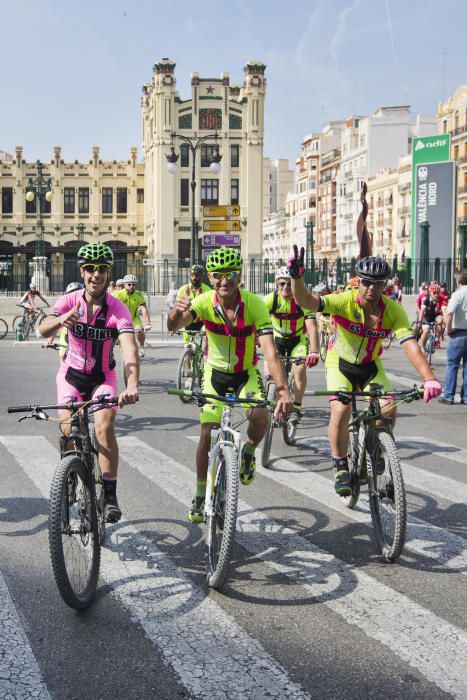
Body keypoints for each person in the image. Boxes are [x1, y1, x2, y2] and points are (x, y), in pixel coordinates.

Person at [288, 247, 442, 495]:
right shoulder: (344, 300)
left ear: (385, 285)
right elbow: (307, 301)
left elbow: (411, 345)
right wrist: (297, 279)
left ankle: (376, 446)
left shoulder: (393, 310)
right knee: (341, 409)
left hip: (370, 365)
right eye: (366, 282)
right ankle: (340, 465)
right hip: (341, 363)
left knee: (389, 406)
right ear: (358, 281)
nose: (371, 287)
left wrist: (429, 378)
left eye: (377, 283)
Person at [167, 246, 293, 522]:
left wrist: (283, 389)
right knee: (206, 433)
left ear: (240, 275)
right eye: (218, 275)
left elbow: (270, 351)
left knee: (260, 415)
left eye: (231, 274)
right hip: (214, 375)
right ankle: (200, 495)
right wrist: (177, 312)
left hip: (245, 372)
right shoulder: (203, 303)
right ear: (211, 278)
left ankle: (248, 451)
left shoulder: (255, 305)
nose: (225, 281)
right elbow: (173, 328)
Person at [39, 243, 139, 522]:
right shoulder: (70, 301)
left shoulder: (117, 308)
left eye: (102, 269)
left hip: (102, 378)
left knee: (104, 426)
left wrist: (132, 384)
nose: (96, 274)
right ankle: (70, 476)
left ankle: (109, 494)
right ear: (82, 272)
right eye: (90, 269)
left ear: (108, 273)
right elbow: (42, 328)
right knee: (69, 427)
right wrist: (60, 321)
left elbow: (129, 350)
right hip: (71, 376)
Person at [263, 266, 319, 424]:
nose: (285, 287)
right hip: (277, 339)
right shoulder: (270, 300)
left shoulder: (302, 301)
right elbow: (256, 322)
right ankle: (272, 395)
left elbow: (313, 327)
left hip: (298, 339)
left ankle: (297, 408)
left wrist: (314, 352)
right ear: (276, 284)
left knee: (300, 369)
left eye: (289, 283)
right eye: (282, 284)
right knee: (270, 370)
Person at [439, 270, 467, 405]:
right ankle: (466, 397)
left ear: (458, 281)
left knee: (452, 365)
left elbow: (449, 313)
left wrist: (448, 329)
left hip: (457, 333)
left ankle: (449, 396)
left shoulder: (458, 294)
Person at [113, 274, 151, 358]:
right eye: (129, 284)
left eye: (133, 284)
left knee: (140, 331)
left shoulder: (138, 295)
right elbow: (113, 308)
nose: (131, 286)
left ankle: (141, 347)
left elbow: (144, 309)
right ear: (124, 285)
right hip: (121, 319)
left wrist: (148, 323)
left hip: (134, 318)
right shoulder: (120, 294)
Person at [44, 282, 84, 358]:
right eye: (71, 293)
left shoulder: (87, 306)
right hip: (65, 339)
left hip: (82, 342)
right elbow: (56, 325)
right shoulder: (64, 307)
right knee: (63, 358)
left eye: (77, 292)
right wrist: (50, 340)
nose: (74, 295)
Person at [419, 283, 447, 353]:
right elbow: (422, 311)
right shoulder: (426, 300)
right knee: (426, 330)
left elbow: (444, 311)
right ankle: (422, 346)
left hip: (436, 316)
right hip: (427, 317)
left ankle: (436, 338)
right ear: (430, 293)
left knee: (440, 320)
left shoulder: (442, 299)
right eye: (434, 293)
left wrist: (445, 322)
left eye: (438, 293)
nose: (436, 295)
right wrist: (419, 322)